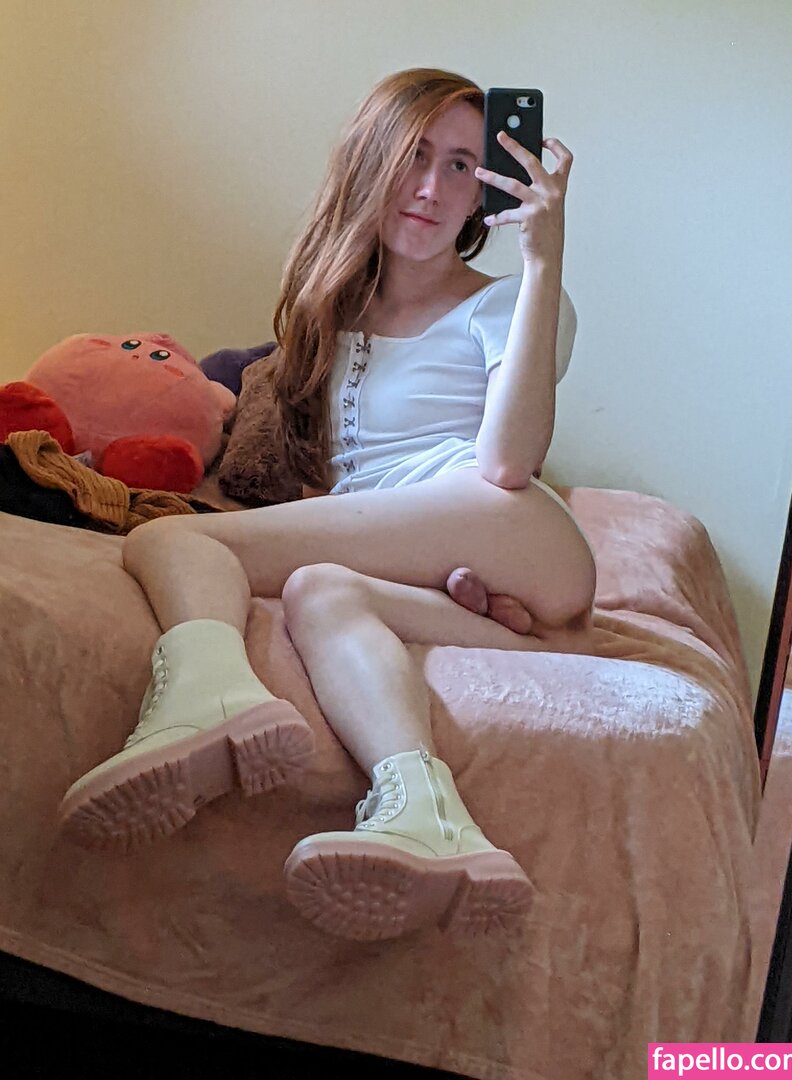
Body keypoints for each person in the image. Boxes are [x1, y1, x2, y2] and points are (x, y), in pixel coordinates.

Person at [58, 68, 596, 942]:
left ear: (486, 194)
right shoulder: (333, 311)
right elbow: (343, 491)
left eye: (462, 166)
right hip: (475, 580)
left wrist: (543, 258)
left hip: (512, 525)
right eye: (413, 155)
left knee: (176, 543)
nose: (430, 187)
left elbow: (505, 465)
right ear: (370, 161)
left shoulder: (512, 302)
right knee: (321, 592)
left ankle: (210, 702)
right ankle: (426, 814)